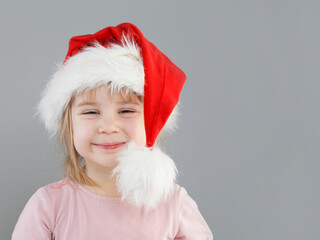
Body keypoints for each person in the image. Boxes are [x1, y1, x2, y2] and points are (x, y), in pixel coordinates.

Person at [12, 23, 213, 240]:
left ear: (153, 122)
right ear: (69, 126)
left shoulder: (174, 204)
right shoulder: (48, 206)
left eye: (126, 110)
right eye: (90, 112)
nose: (108, 127)